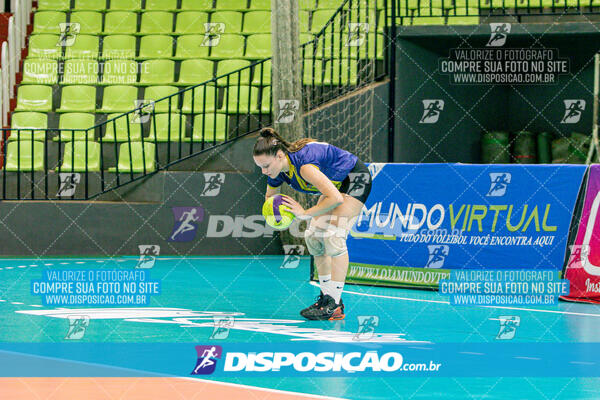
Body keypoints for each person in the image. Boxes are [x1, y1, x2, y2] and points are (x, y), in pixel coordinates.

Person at [253, 128, 372, 320]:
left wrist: (304, 213)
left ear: (280, 155)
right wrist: (275, 216)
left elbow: (335, 198)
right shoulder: (277, 171)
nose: (264, 171)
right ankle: (327, 299)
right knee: (313, 238)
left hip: (354, 178)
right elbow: (270, 198)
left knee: (334, 236)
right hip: (334, 183)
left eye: (266, 165)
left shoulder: (304, 167)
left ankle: (334, 303)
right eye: (260, 167)